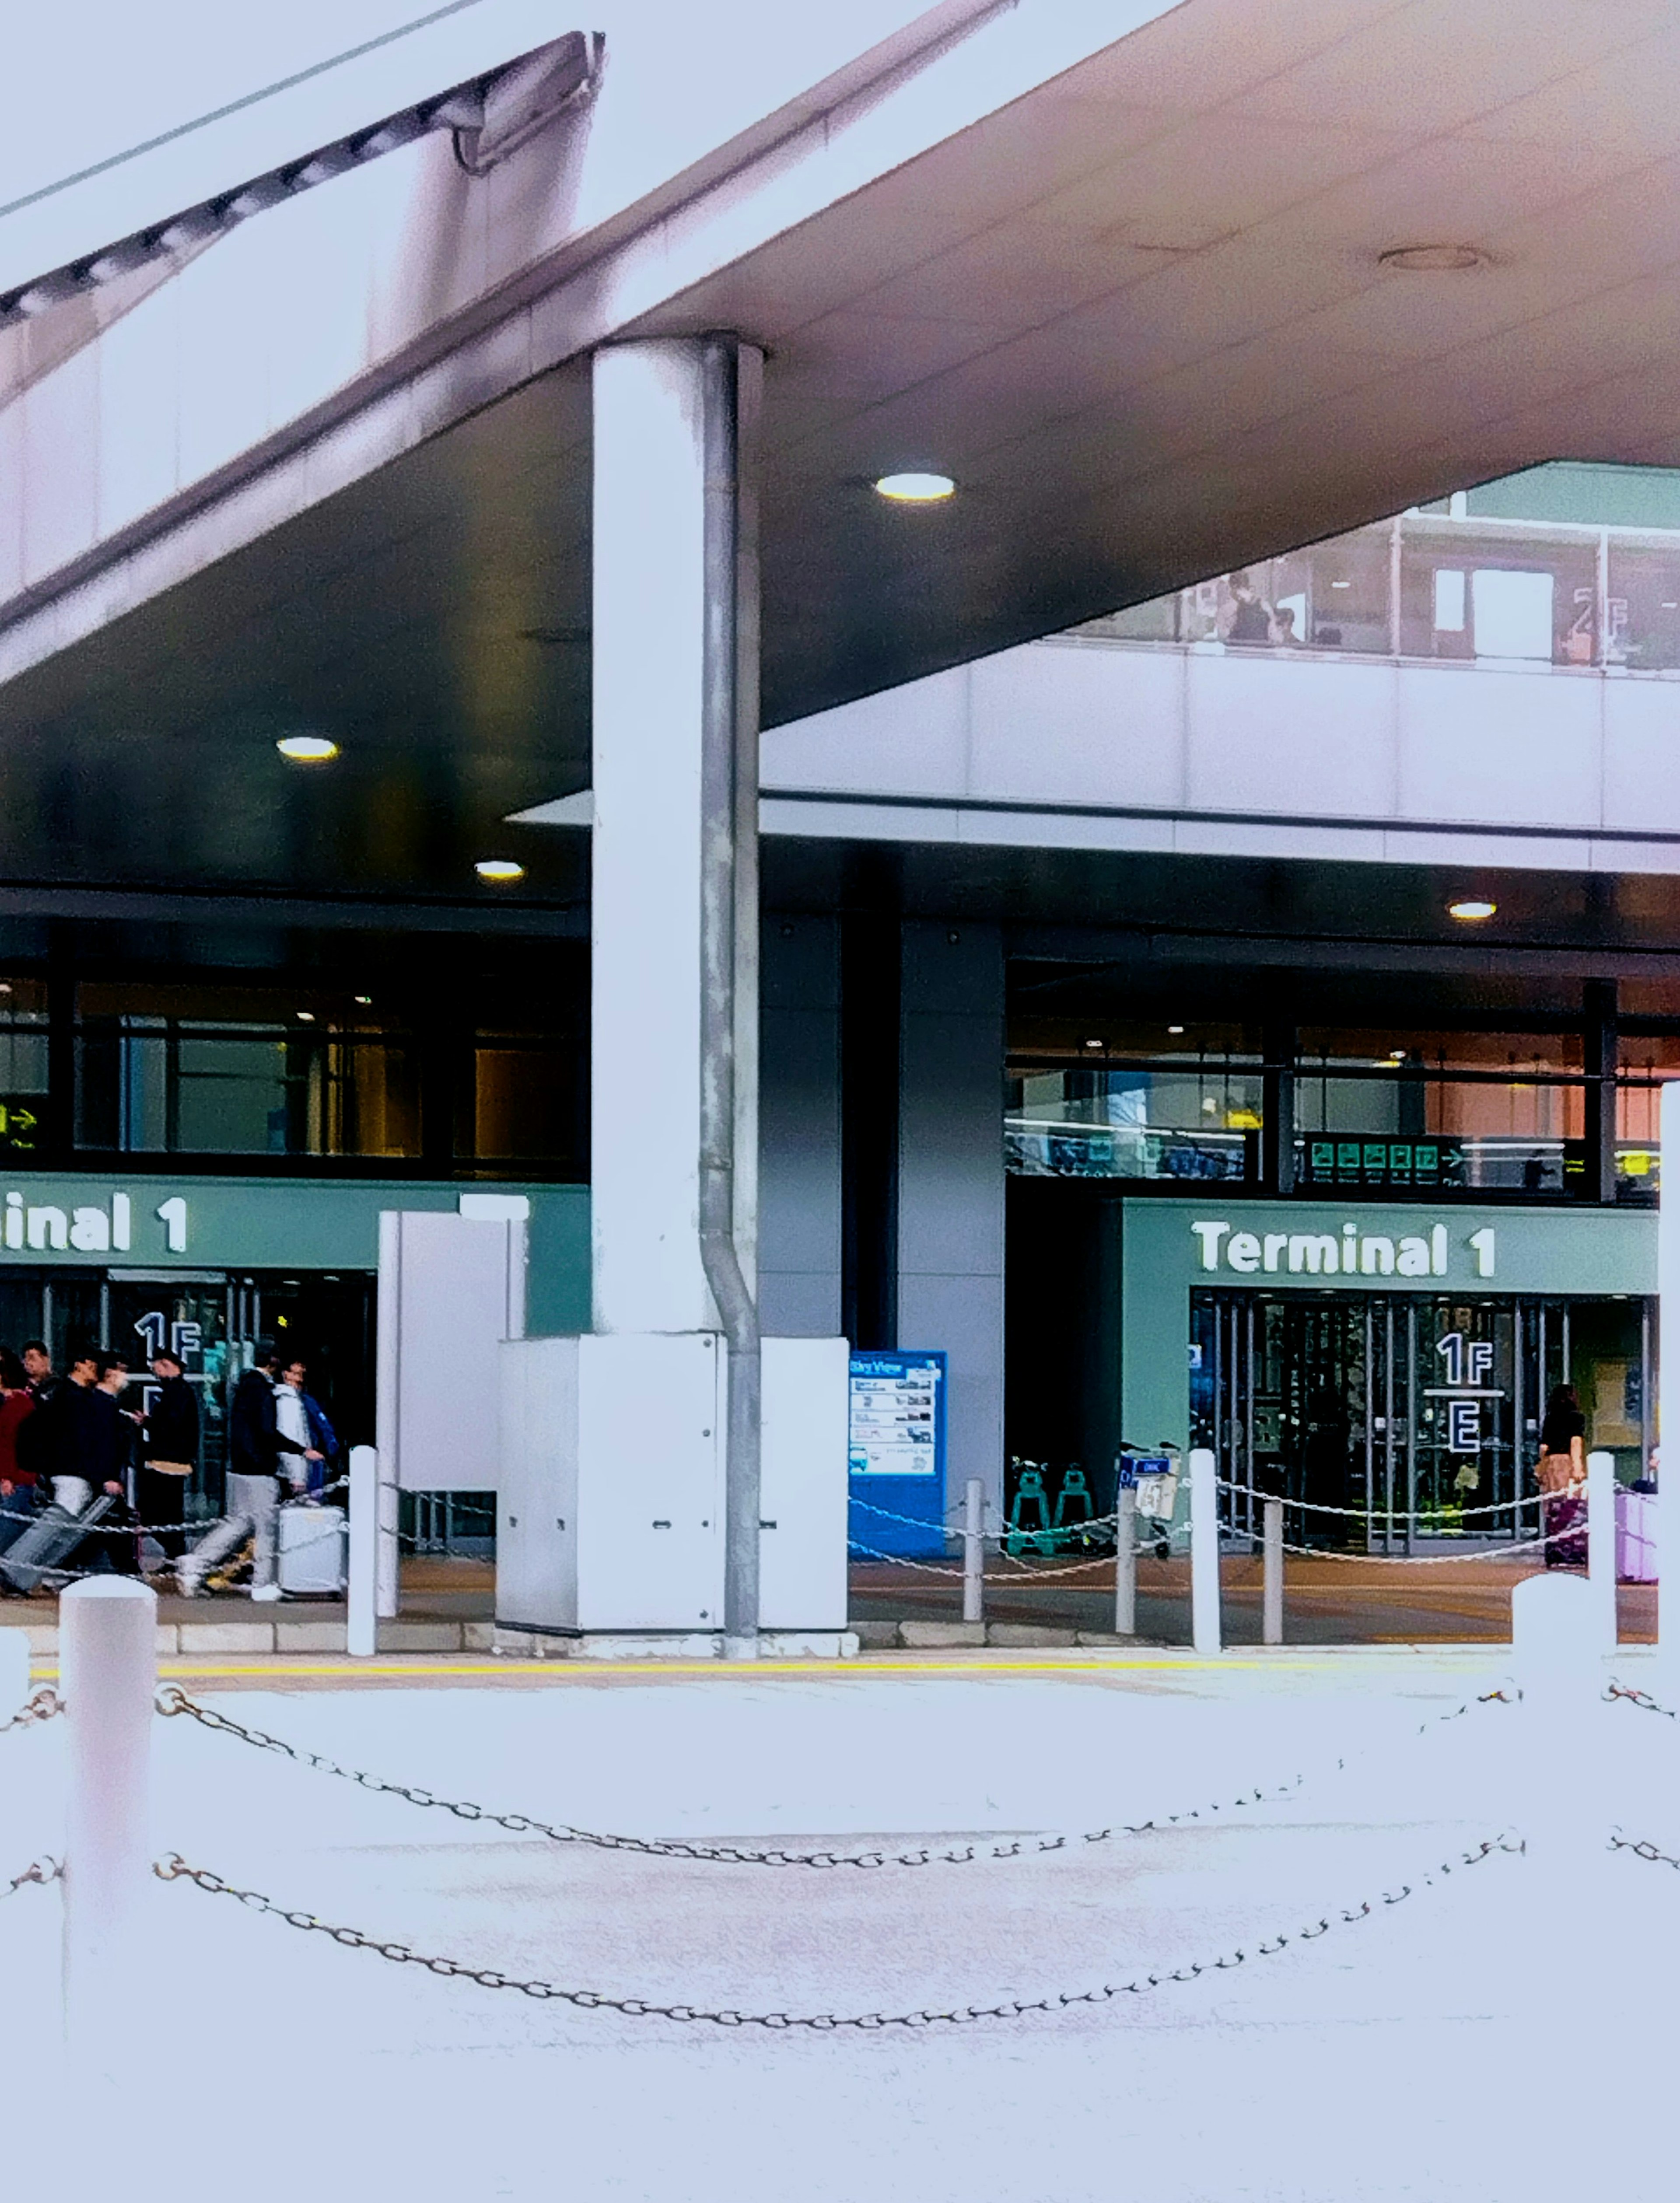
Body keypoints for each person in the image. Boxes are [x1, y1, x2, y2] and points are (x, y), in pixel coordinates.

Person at [178, 1347, 295, 1600]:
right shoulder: (263, 1391)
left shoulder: (241, 1388)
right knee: (266, 1528)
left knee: (237, 1523)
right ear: (275, 1367)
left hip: (238, 1468)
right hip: (259, 1470)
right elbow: (266, 1432)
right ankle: (263, 1584)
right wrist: (298, 1450)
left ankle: (196, 1562)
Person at [140, 1348, 200, 1564]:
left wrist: (148, 1423)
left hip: (168, 1461)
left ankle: (176, 1554)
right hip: (172, 1459)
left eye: (155, 1367)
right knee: (166, 1513)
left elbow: (171, 1427)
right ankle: (175, 1555)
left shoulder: (176, 1392)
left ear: (165, 1364)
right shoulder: (180, 1391)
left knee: (159, 1513)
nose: (154, 1372)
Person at [1536, 1382, 1587, 1568]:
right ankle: (1570, 1549)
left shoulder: (1550, 1418)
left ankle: (1554, 1550)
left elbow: (1544, 1447)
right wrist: (1578, 1467)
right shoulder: (1576, 1418)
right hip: (1565, 1462)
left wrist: (1541, 1467)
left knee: (1552, 1508)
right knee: (1569, 1505)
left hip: (1550, 1463)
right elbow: (1575, 1443)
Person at [276, 1357, 335, 1496]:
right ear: (286, 1374)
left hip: (307, 1464)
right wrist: (296, 1475)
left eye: (302, 1375)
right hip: (298, 1468)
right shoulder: (287, 1401)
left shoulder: (303, 1400)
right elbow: (291, 1435)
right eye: (296, 1374)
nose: (300, 1379)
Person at [0, 1351, 36, 1555]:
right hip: (14, 1477)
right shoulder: (13, 1403)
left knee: (9, 1530)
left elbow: (11, 1445)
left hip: (15, 1479)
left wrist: (7, 1477)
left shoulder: (18, 1404)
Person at [1221, 569, 1274, 646]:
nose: (1237, 593)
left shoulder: (1264, 606)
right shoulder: (1229, 609)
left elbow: (1273, 634)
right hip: (1237, 651)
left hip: (1260, 651)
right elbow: (1225, 635)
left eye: (1240, 588)